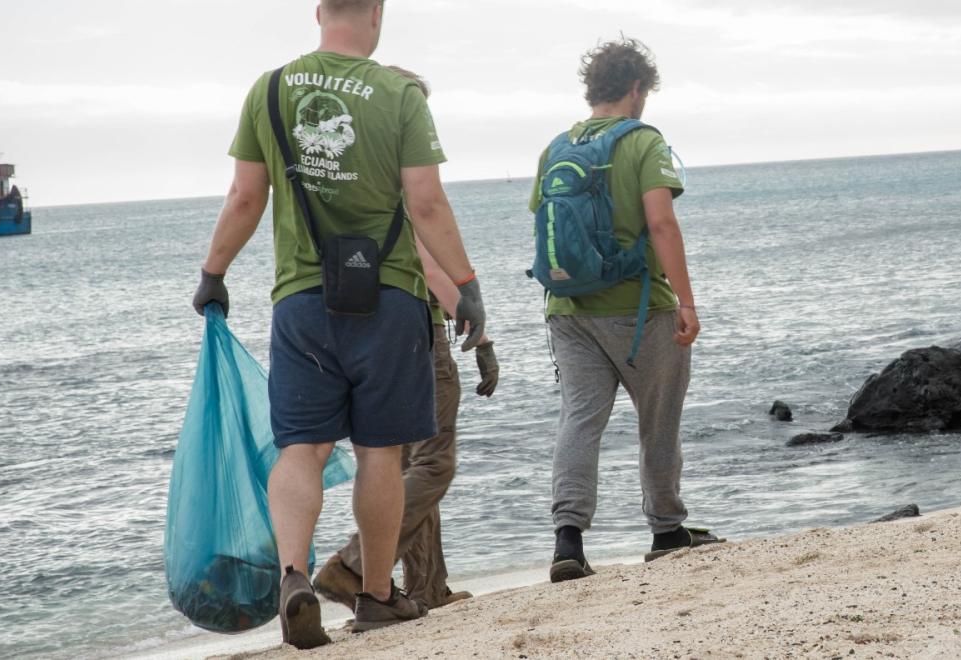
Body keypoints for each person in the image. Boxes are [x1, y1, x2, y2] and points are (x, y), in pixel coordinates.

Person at [191, 0, 489, 648]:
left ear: (319, 10)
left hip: (302, 299)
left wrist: (214, 272)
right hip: (388, 298)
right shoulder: (399, 95)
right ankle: (377, 595)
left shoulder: (269, 90)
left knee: (303, 447)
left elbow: (246, 197)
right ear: (377, 13)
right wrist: (467, 287)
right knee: (380, 452)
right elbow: (427, 202)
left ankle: (294, 575)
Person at [527, 38, 719, 584]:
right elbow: (661, 223)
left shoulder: (556, 146)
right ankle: (665, 531)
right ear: (637, 88)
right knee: (658, 420)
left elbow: (545, 226)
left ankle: (568, 541)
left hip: (566, 308)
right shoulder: (643, 142)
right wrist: (686, 300)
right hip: (638, 309)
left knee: (580, 420)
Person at [311, 66, 498, 613]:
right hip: (416, 329)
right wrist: (480, 334)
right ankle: (351, 567)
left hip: (358, 329)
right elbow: (429, 265)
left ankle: (425, 586)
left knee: (403, 463)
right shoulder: (402, 183)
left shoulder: (348, 181)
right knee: (434, 462)